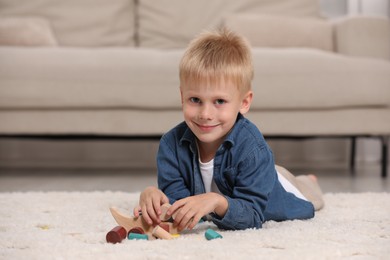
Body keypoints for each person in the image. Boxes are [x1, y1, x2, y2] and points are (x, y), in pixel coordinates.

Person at [133, 28, 324, 231]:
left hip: (277, 187)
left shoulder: (253, 149)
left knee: (308, 196)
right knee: (264, 171)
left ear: (243, 102)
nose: (205, 114)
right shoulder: (170, 145)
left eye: (220, 101)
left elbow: (252, 215)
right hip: (256, 171)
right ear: (182, 97)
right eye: (195, 99)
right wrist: (155, 198)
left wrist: (217, 201)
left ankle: (308, 180)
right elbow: (178, 202)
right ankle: (276, 172)